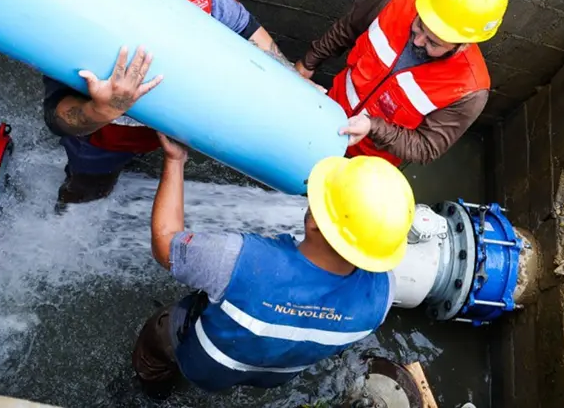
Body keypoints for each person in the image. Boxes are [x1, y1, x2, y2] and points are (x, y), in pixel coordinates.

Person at [42, 0, 296, 208]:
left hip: (163, 133)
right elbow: (57, 116)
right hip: (104, 141)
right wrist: (102, 109)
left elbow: (245, 27)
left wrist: (294, 81)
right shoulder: (89, 14)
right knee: (89, 189)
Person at [130, 133, 415, 397]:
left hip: (204, 363)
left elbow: (165, 242)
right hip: (272, 375)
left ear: (315, 224)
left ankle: (151, 389)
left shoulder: (239, 260)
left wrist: (175, 159)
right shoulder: (383, 294)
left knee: (159, 333)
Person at [295, 0, 509, 166]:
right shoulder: (399, 1)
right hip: (327, 110)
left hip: (363, 161)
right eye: (420, 25)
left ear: (463, 44)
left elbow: (426, 148)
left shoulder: (468, 90)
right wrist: (308, 63)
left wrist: (373, 127)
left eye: (433, 43)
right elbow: (348, 27)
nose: (418, 41)